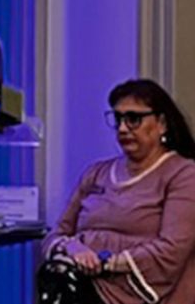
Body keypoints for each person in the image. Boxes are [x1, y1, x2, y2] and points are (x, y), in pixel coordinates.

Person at [41, 79, 195, 303]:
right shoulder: (96, 173)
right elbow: (57, 234)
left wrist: (106, 263)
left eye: (133, 119)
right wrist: (72, 248)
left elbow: (171, 250)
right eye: (118, 119)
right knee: (56, 277)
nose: (123, 128)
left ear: (162, 123)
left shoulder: (183, 174)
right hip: (79, 281)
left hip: (139, 290)